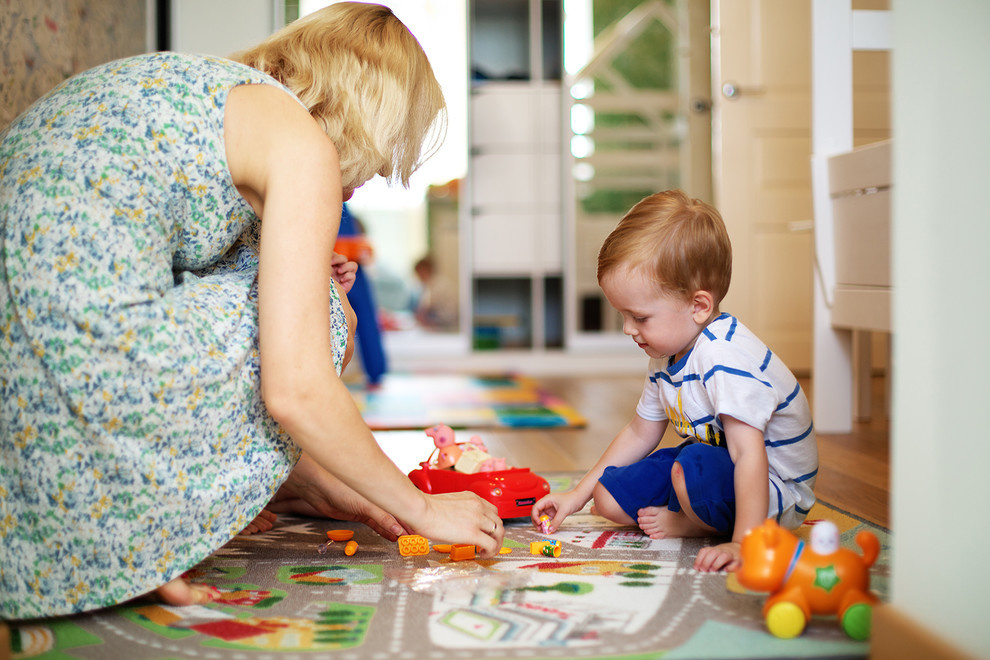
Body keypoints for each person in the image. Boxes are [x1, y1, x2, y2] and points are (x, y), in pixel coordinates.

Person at [0, 2, 504, 620]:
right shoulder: (301, 145)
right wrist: (422, 509)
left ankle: (292, 477)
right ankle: (174, 516)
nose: (373, 176)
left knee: (288, 280)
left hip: (24, 377)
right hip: (76, 353)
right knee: (326, 310)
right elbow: (295, 389)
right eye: (386, 151)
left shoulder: (214, 90)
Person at [531, 190, 817, 573]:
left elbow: (748, 455)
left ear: (698, 306)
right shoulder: (665, 354)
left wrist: (743, 543)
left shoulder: (724, 357)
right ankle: (692, 510)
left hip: (772, 488)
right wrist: (576, 496)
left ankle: (694, 524)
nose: (628, 329)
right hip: (710, 464)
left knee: (690, 465)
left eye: (640, 317)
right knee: (608, 499)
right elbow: (639, 433)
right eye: (623, 315)